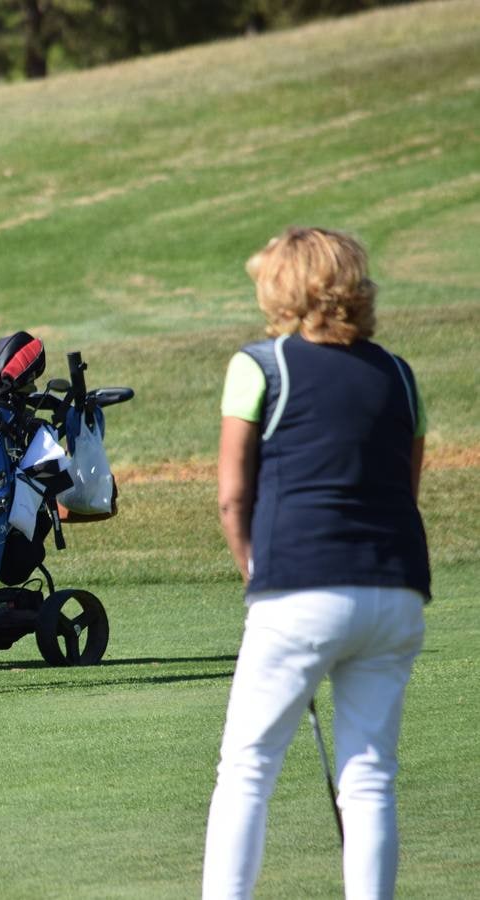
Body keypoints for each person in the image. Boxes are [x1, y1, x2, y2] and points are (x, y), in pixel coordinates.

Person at [203, 227, 431, 899]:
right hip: (394, 591)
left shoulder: (261, 364)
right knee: (370, 777)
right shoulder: (398, 372)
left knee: (247, 768)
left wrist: (255, 571)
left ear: (285, 288)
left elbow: (230, 496)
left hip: (299, 588)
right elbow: (405, 487)